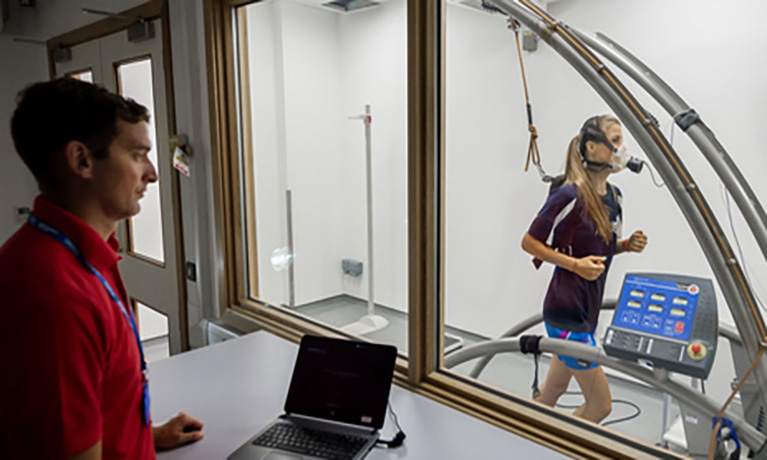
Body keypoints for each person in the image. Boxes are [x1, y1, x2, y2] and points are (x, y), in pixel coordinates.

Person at [0, 78, 204, 459]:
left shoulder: (81, 255)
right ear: (82, 160)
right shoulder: (56, 297)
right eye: (138, 154)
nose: (153, 173)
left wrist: (143, 434)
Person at [521, 114, 648, 423]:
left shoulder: (615, 197)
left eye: (621, 140)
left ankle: (525, 436)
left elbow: (601, 248)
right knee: (600, 406)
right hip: (567, 314)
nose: (621, 148)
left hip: (585, 311)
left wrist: (625, 245)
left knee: (552, 391)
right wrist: (574, 265)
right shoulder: (569, 195)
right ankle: (554, 448)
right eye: (615, 141)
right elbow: (530, 242)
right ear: (592, 147)